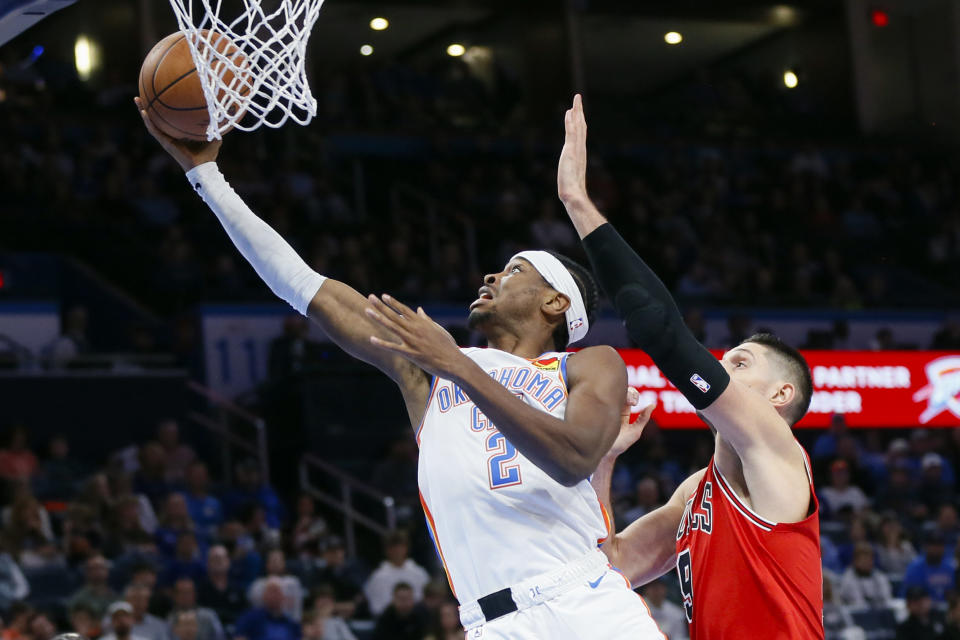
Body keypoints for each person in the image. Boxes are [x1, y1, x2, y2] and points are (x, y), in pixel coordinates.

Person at [136, 97, 664, 639]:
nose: (491, 277)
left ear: (555, 304)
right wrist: (207, 177)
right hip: (490, 623)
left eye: (514, 270)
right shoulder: (430, 368)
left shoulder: (587, 364)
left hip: (581, 603)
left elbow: (574, 456)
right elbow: (302, 284)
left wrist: (457, 366)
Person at [558, 94, 822, 638]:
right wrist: (604, 459)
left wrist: (578, 203)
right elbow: (612, 567)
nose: (723, 370)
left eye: (740, 363)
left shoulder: (779, 451)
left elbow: (660, 330)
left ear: (779, 398)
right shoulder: (693, 493)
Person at [362, 531, 429, 617]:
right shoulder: (378, 577)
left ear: (406, 548)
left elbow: (425, 602)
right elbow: (376, 608)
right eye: (393, 547)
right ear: (387, 550)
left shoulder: (419, 573)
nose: (397, 551)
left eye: (401, 546)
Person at [247, 549, 305, 621]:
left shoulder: (294, 583)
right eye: (273, 561)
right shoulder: (257, 585)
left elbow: (297, 609)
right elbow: (255, 609)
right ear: (267, 564)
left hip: (288, 624)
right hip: (265, 625)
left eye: (279, 561)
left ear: (284, 563)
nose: (276, 564)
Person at [234, 578, 301, 640]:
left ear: (283, 596)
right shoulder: (249, 618)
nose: (273, 596)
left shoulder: (291, 623)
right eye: (270, 592)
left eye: (276, 592)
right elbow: (239, 637)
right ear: (263, 596)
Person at [197, 545, 246, 626]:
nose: (218, 561)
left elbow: (244, 614)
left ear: (228, 562)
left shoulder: (238, 588)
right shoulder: (201, 588)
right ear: (208, 563)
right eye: (215, 559)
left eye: (221, 558)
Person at [837, 542, 893, 609]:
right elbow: (851, 603)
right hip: (857, 615)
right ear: (855, 561)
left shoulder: (880, 577)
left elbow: (887, 599)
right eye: (864, 560)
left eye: (869, 559)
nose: (867, 562)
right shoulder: (847, 579)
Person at [68, 554, 118, 618]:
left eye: (101, 567)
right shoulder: (78, 599)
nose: (98, 572)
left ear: (107, 570)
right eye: (94, 568)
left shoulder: (115, 596)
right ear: (87, 572)